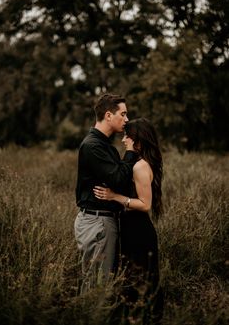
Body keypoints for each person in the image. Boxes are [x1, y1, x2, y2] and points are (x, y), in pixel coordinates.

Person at [93, 117, 164, 325]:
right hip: (131, 230)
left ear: (138, 141)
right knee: (130, 283)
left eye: (128, 136)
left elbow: (145, 204)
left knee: (142, 284)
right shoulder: (136, 162)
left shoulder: (140, 167)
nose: (123, 139)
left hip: (139, 233)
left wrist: (114, 196)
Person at [74, 93, 138, 293]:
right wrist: (131, 152)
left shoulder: (104, 145)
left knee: (99, 284)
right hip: (98, 223)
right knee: (97, 289)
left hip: (101, 222)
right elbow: (118, 179)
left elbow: (119, 181)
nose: (127, 119)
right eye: (123, 114)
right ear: (108, 115)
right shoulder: (93, 146)